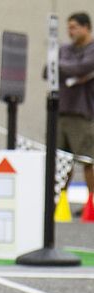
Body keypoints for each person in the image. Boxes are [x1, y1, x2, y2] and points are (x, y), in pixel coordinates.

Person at [58, 12, 94, 210]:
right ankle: (58, 201)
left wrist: (68, 68)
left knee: (87, 160)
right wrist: (74, 70)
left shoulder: (92, 49)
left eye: (74, 27)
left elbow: (85, 66)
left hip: (82, 113)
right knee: (61, 162)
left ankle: (92, 203)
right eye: (68, 27)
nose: (70, 31)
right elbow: (49, 70)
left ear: (86, 27)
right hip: (61, 111)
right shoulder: (65, 49)